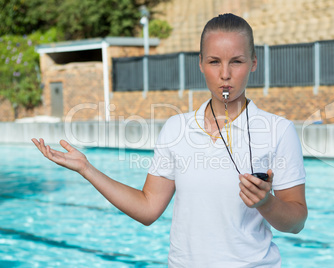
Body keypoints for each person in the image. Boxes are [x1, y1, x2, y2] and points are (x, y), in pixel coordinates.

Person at [32, 13, 307, 267]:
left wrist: (266, 203)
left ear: (254, 62)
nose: (225, 74)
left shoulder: (278, 131)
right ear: (200, 63)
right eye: (214, 61)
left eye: (236, 61)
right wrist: (87, 169)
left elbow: (296, 222)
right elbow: (148, 208)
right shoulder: (177, 128)